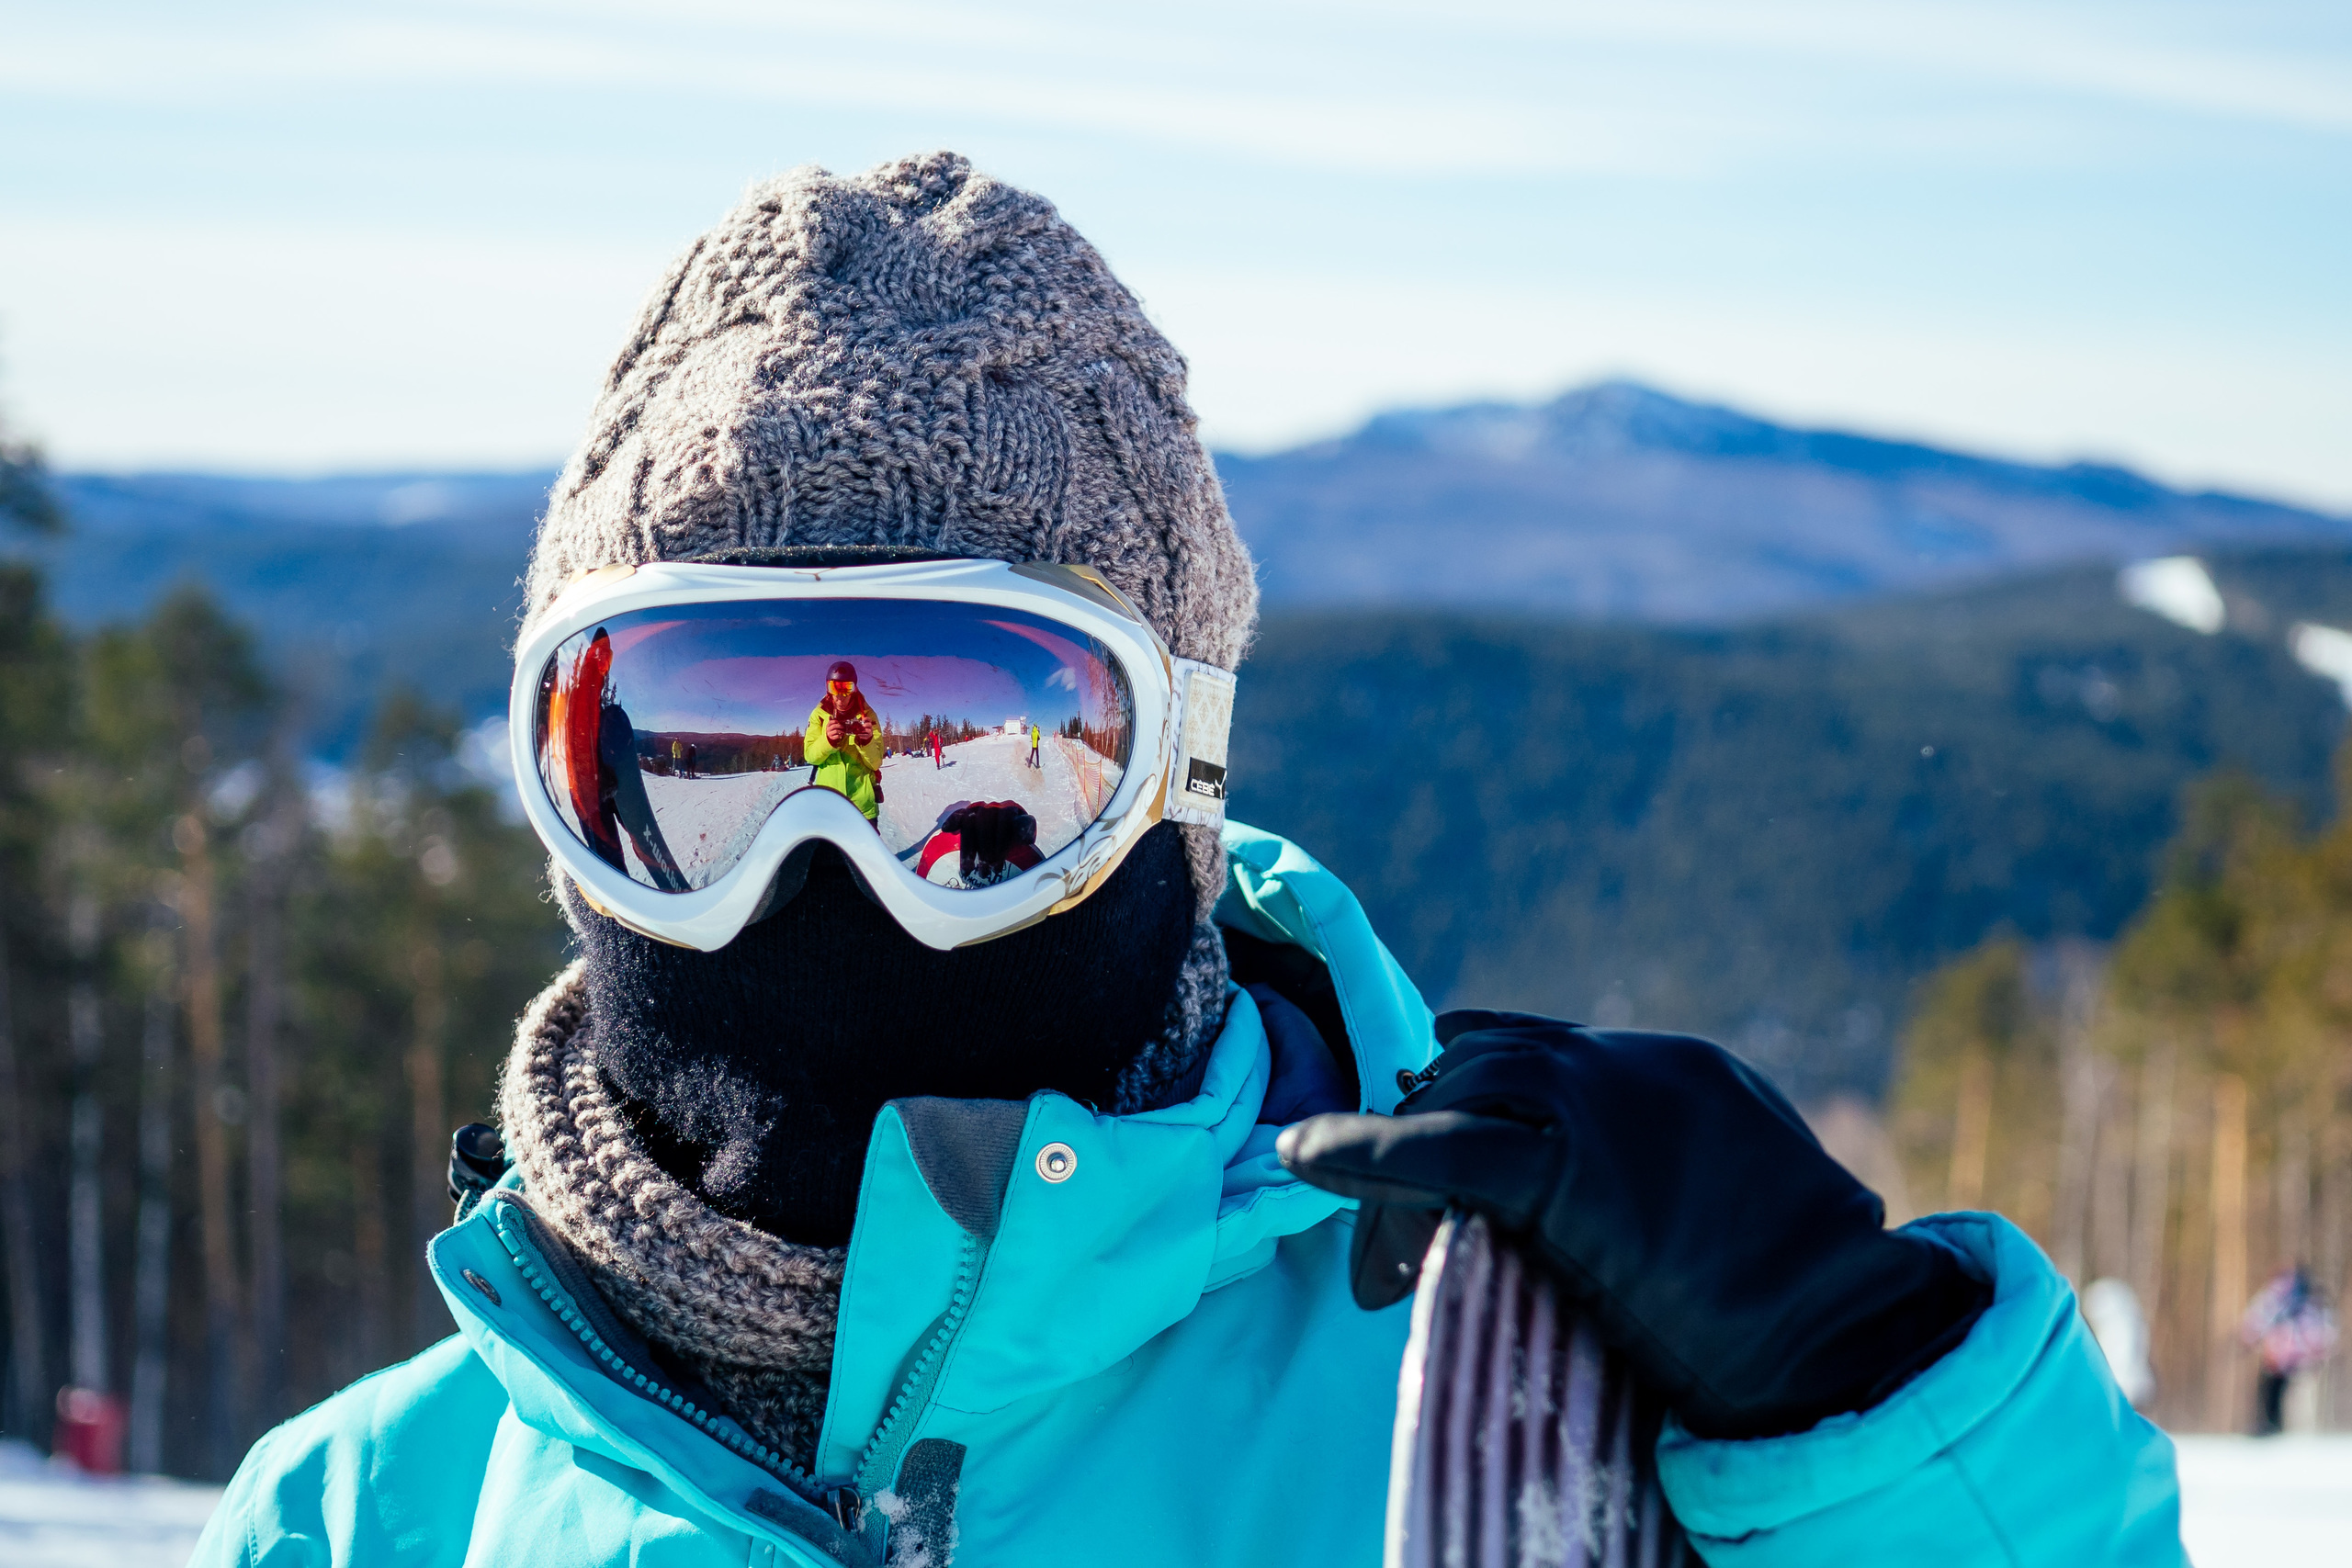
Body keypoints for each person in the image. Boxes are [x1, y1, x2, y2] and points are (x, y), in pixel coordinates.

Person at [194, 153, 2181, 1567]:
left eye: (977, 772)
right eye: (685, 768)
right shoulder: (360, 1516)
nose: (822, 866)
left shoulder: (1506, 1409)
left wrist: (1874, 1421)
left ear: (1181, 778)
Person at [2241, 1263, 2338, 1435]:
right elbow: (2323, 1329)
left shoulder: (2282, 1299)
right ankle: (2279, 1428)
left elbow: (2258, 1318)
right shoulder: (2303, 1300)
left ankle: (2278, 1427)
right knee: (2279, 1395)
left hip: (2285, 1359)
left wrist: (2250, 1336)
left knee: (2279, 1395)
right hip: (2288, 1360)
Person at [805, 659, 884, 821]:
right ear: (828, 688)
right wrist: (827, 741)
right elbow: (810, 756)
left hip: (862, 806)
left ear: (854, 688)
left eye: (846, 688)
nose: (840, 697)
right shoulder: (819, 715)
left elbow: (875, 763)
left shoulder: (868, 716)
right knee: (828, 848)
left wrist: (866, 742)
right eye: (834, 688)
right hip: (829, 804)